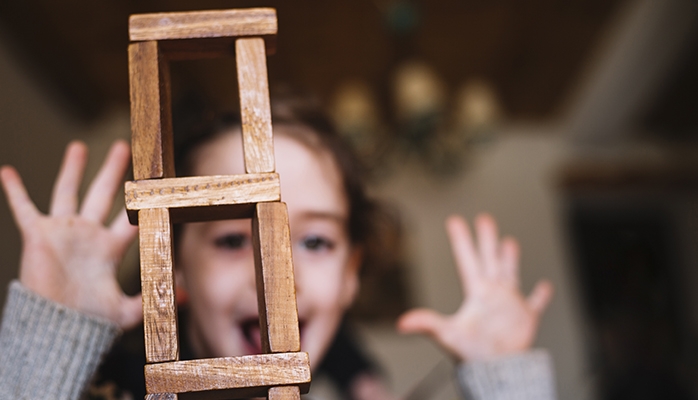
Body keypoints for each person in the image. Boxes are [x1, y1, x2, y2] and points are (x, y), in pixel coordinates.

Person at [0, 99, 556, 400]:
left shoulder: (320, 341)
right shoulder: (113, 381)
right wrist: (53, 347)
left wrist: (504, 380)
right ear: (173, 265)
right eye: (232, 239)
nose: (276, 276)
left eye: (315, 241)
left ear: (351, 274)